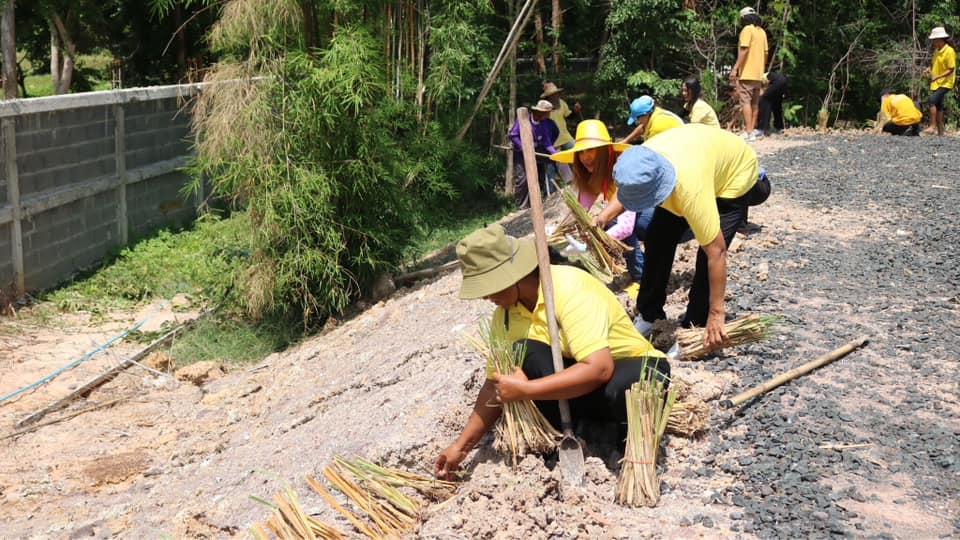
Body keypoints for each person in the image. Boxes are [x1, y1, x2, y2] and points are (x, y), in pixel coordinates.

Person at [433, 224, 670, 479]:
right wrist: (461, 447)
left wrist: (526, 391)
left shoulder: (569, 288)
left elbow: (600, 368)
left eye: (489, 287)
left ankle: (628, 440)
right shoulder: (505, 317)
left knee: (621, 390)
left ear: (513, 275)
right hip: (583, 389)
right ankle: (566, 434)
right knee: (524, 351)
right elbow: (495, 385)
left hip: (636, 372)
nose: (485, 297)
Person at [613, 124, 770, 349]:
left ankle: (694, 326)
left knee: (705, 254)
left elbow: (717, 253)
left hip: (734, 177)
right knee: (657, 240)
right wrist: (600, 220)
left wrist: (717, 312)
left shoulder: (690, 191)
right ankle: (649, 313)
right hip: (699, 156)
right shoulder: (640, 161)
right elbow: (626, 192)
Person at [550, 120, 652, 285]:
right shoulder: (591, 178)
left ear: (606, 151)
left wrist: (593, 243)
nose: (585, 157)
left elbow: (626, 226)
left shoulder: (623, 173)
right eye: (581, 152)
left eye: (591, 150)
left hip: (655, 220)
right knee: (604, 222)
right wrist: (561, 235)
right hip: (633, 222)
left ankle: (643, 276)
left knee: (621, 226)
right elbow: (582, 213)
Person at [509, 100, 558, 209]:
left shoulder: (544, 124)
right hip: (521, 153)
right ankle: (522, 207)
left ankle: (534, 204)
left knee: (536, 177)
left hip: (536, 152)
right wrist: (523, 147)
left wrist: (555, 153)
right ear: (539, 112)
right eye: (547, 113)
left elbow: (547, 142)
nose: (548, 115)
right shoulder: (523, 120)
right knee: (523, 179)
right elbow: (513, 135)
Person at [729, 6, 768, 141]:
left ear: (743, 18)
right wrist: (761, 69)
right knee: (755, 103)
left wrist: (735, 69)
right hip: (758, 74)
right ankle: (752, 131)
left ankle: (748, 131)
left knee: (745, 102)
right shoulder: (762, 32)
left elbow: (744, 50)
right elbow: (765, 53)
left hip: (747, 73)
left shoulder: (747, 30)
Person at [541, 82, 580, 184]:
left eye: (557, 94)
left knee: (579, 153)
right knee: (559, 164)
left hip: (566, 137)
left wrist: (575, 112)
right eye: (553, 95)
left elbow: (569, 117)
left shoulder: (561, 103)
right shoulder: (544, 108)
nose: (556, 96)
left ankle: (583, 178)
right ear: (548, 97)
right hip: (553, 142)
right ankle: (568, 183)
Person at [924, 27, 956, 136]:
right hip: (936, 83)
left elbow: (951, 69)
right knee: (939, 105)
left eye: (934, 39)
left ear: (940, 39)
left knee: (932, 100)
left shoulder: (949, 51)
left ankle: (932, 126)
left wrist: (937, 77)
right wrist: (929, 69)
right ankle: (941, 132)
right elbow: (933, 64)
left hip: (946, 82)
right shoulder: (937, 51)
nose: (933, 42)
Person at [619, 95, 684, 144]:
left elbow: (650, 153)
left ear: (646, 114)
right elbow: (642, 128)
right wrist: (625, 141)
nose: (638, 122)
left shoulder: (657, 127)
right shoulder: (655, 113)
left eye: (638, 118)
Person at [758, 71, 788, 135]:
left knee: (764, 100)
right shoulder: (770, 75)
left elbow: (762, 91)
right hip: (784, 81)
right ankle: (779, 127)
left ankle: (763, 128)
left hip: (777, 82)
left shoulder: (760, 78)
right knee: (776, 103)